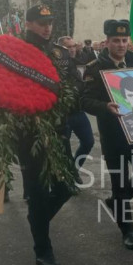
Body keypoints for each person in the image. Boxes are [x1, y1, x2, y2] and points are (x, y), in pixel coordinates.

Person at [82, 19, 133, 250]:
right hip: (114, 136)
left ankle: (116, 202)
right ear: (107, 42)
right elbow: (85, 100)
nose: (121, 44)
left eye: (124, 40)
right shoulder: (95, 67)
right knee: (120, 183)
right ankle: (127, 231)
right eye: (116, 40)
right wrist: (105, 107)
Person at [17, 4, 78, 265]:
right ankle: (43, 249)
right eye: (41, 23)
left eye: (50, 22)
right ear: (28, 24)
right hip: (30, 135)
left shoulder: (60, 53)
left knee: (67, 186)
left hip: (58, 130)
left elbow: (75, 82)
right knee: (39, 193)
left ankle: (38, 221)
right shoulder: (15, 52)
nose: (47, 27)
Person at [57, 36, 95, 181]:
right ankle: (67, 176)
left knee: (89, 142)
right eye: (68, 47)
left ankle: (73, 169)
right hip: (64, 113)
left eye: (73, 46)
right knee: (64, 147)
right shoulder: (58, 66)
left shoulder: (80, 62)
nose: (72, 49)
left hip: (78, 111)